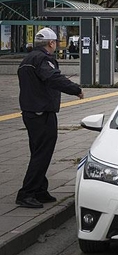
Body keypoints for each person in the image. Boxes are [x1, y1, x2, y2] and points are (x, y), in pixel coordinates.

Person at [16, 27, 84, 208]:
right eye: (55, 43)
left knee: (38, 151)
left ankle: (39, 189)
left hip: (30, 111)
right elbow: (54, 78)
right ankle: (27, 193)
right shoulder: (43, 60)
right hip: (41, 112)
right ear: (51, 43)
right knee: (42, 153)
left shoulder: (27, 59)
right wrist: (75, 89)